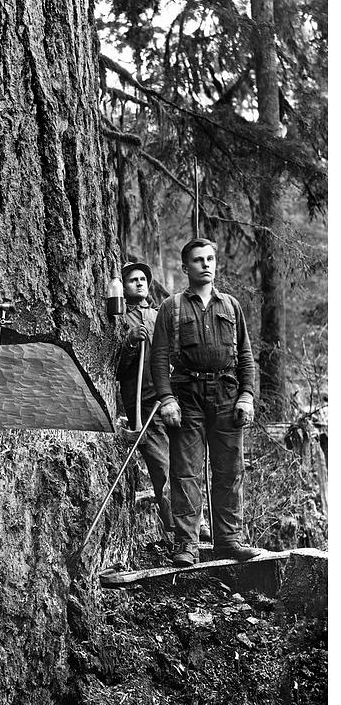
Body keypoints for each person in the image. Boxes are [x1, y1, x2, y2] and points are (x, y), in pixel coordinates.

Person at [151, 238, 260, 567]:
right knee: (186, 472)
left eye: (210, 258)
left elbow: (245, 356)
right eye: (198, 260)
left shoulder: (231, 306)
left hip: (227, 396)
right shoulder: (171, 307)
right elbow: (158, 360)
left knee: (229, 470)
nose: (206, 264)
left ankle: (229, 540)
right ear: (186, 268)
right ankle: (187, 545)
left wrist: (247, 394)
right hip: (187, 397)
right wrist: (167, 398)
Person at [116, 262, 174, 535]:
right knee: (161, 464)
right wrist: (129, 341)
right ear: (124, 288)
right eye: (132, 280)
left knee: (184, 461)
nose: (139, 283)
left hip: (170, 399)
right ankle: (176, 525)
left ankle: (194, 521)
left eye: (143, 279)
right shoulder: (120, 319)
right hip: (142, 402)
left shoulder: (160, 315)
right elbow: (115, 368)